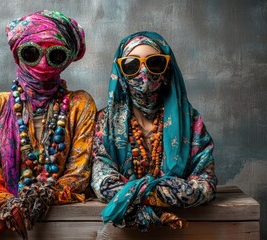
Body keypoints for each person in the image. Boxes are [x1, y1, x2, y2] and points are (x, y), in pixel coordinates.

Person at [0, 10, 96, 239]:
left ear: (68, 59)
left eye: (56, 55)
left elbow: (78, 176)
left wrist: (43, 194)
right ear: (18, 54)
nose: (44, 63)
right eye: (31, 53)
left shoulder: (79, 104)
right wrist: (6, 203)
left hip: (59, 224)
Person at [90, 32, 217, 231]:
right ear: (121, 72)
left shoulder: (190, 121)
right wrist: (165, 196)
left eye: (154, 63)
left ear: (167, 69)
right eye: (132, 65)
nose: (144, 73)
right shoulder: (106, 123)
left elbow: (206, 184)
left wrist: (136, 192)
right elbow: (103, 183)